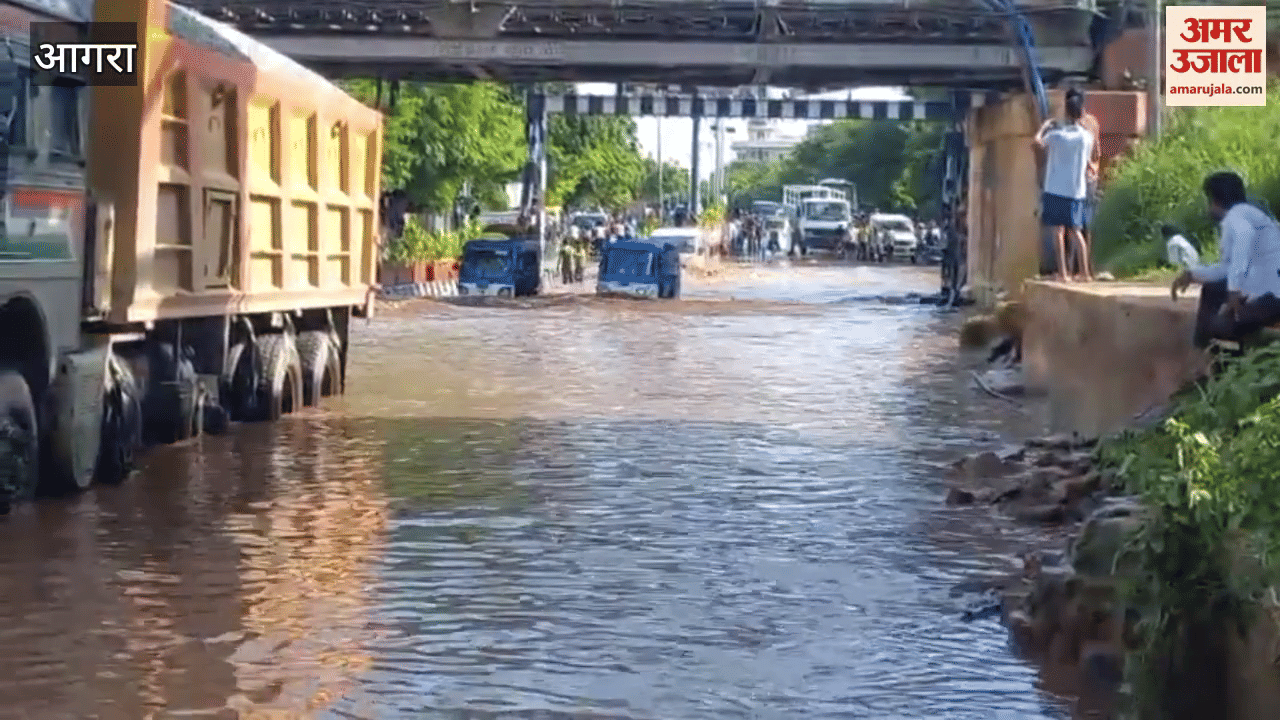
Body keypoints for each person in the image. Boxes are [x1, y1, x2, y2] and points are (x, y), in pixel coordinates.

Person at [1171, 171, 1280, 349]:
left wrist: (1234, 292)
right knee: (1212, 293)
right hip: (1263, 287)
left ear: (1216, 201)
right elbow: (1227, 268)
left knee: (1220, 325)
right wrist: (1192, 274)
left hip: (1273, 294)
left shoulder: (1236, 218)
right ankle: (1205, 356)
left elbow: (1243, 240)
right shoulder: (1246, 215)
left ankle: (1218, 360)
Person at [1034, 90, 1096, 282]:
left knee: (1058, 232)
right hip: (1077, 190)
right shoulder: (1087, 138)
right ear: (1081, 113)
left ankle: (1063, 274)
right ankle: (1085, 273)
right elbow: (1088, 162)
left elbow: (1036, 143)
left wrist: (1044, 126)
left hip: (1054, 189)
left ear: (1067, 113)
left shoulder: (1055, 136)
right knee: (1076, 231)